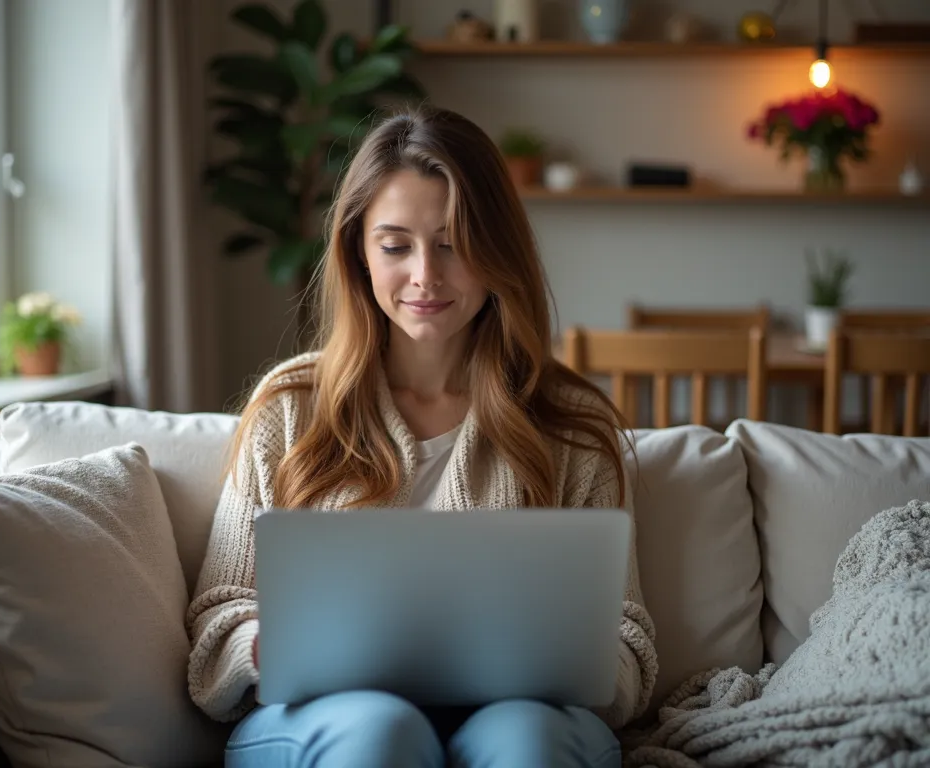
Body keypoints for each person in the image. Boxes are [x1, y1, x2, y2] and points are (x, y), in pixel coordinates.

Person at [186, 106, 658, 768]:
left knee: (526, 742)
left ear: (496, 251)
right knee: (380, 734)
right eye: (395, 244)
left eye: (452, 243)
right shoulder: (290, 409)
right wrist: (277, 645)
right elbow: (219, 615)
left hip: (524, 718)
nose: (425, 277)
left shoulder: (572, 424)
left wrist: (570, 655)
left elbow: (628, 634)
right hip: (332, 718)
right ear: (357, 251)